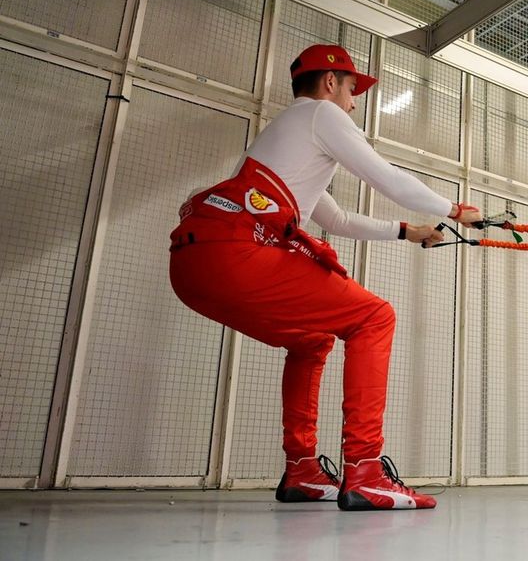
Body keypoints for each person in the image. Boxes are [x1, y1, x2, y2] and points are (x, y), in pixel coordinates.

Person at [169, 44, 482, 510]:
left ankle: (302, 470)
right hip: (237, 251)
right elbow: (387, 178)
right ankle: (365, 471)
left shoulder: (282, 143)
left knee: (312, 341)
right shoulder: (320, 114)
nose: (355, 103)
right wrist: (455, 209)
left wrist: (408, 232)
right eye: (354, 90)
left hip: (193, 267)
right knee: (375, 317)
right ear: (331, 82)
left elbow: (336, 220)